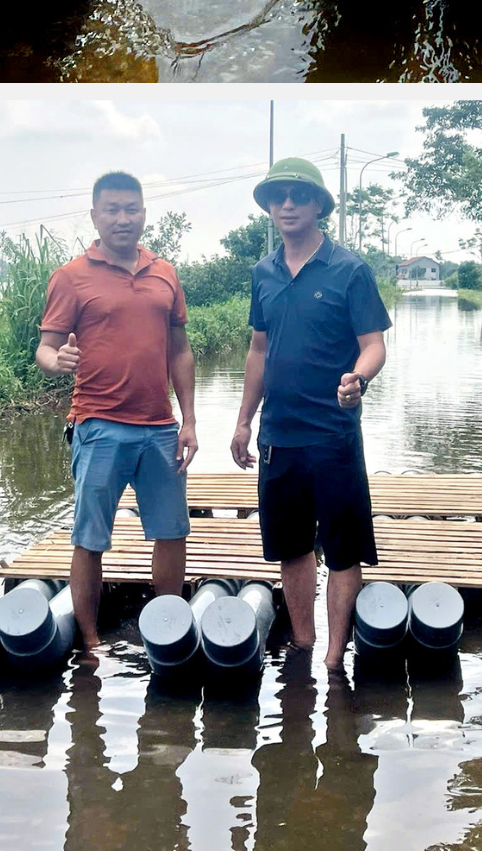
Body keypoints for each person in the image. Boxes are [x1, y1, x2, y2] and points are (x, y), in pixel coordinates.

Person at [230, 157, 389, 672]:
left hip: (333, 433)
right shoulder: (263, 272)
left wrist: (357, 379)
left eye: (299, 195)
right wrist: (243, 420)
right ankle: (302, 641)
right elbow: (258, 349)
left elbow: (373, 346)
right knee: (291, 548)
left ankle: (334, 657)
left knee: (343, 551)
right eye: (278, 197)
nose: (288, 205)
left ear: (319, 204)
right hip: (280, 435)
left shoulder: (350, 269)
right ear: (269, 209)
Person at [37, 171, 196, 659]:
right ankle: (88, 640)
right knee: (90, 537)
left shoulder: (164, 272)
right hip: (99, 425)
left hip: (159, 427)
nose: (123, 218)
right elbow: (45, 349)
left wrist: (188, 420)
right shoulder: (71, 276)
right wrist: (57, 361)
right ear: (95, 216)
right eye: (112, 210)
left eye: (131, 209)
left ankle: (167, 623)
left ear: (144, 213)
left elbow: (180, 350)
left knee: (171, 531)